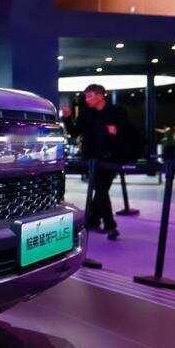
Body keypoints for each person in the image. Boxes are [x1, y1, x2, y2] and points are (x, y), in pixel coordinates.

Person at [62, 83, 130, 240]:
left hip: (111, 158)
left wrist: (117, 131)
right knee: (101, 190)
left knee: (101, 191)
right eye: (86, 96)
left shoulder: (117, 112)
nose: (86, 99)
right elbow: (74, 132)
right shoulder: (86, 113)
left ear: (100, 96)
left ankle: (92, 220)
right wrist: (67, 118)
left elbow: (127, 132)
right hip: (92, 159)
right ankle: (110, 226)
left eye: (89, 96)